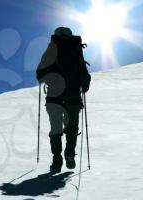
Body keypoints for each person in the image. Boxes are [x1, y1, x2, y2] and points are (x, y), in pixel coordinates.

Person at [36, 27, 91, 173]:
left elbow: (40, 74)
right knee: (72, 129)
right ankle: (70, 155)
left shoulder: (52, 48)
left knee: (56, 129)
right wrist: (84, 84)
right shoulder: (76, 47)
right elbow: (83, 73)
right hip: (73, 96)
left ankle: (57, 158)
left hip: (54, 97)